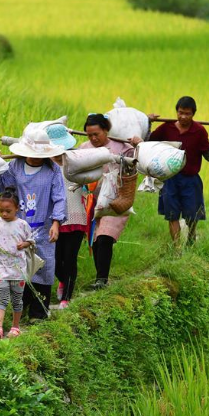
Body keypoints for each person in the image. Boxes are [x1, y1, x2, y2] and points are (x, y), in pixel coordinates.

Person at [130, 96, 209, 246]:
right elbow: (149, 144)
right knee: (172, 215)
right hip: (169, 179)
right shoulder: (167, 128)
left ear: (193, 114)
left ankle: (191, 237)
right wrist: (147, 123)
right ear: (176, 112)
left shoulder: (199, 131)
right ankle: (177, 248)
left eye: (187, 114)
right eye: (180, 113)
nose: (183, 116)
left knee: (192, 215)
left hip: (190, 179)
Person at [0, 126, 67, 322]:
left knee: (43, 267)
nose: (34, 158)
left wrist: (57, 222)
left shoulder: (53, 171)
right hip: (19, 228)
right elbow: (0, 186)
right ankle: (20, 309)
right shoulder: (15, 167)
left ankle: (39, 312)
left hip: (44, 226)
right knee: (19, 268)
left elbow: (59, 197)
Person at [80, 113, 135, 290]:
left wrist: (138, 144)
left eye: (97, 134)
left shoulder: (121, 146)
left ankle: (101, 279)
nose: (93, 138)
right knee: (95, 240)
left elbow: (136, 162)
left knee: (105, 237)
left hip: (116, 200)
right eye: (90, 135)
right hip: (92, 201)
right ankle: (100, 278)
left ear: (106, 130)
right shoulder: (84, 148)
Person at [45, 124, 86, 309]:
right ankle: (63, 280)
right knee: (54, 259)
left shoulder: (75, 161)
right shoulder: (46, 165)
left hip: (76, 215)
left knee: (69, 258)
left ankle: (66, 298)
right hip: (53, 219)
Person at [0, 187, 34, 339]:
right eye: (1, 210)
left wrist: (25, 244)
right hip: (1, 267)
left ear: (17, 208)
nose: (4, 214)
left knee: (16, 299)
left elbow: (31, 240)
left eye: (8, 210)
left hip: (17, 269)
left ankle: (15, 326)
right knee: (1, 298)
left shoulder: (22, 225)